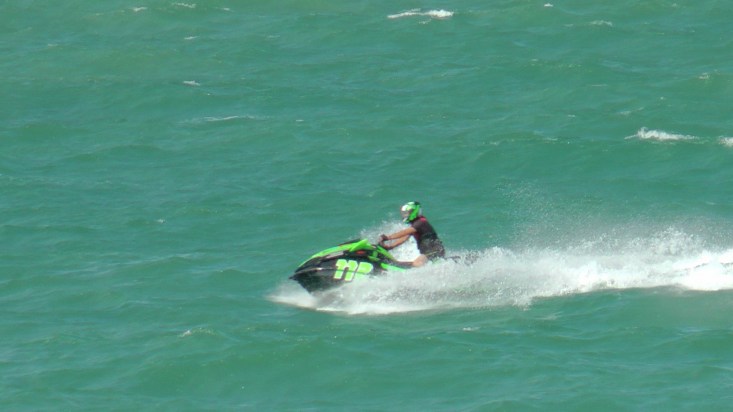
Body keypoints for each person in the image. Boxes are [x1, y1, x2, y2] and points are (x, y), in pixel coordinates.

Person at [379, 201, 445, 267]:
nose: (405, 215)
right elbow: (404, 238)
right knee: (417, 263)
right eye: (404, 213)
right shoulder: (415, 225)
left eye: (407, 213)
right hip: (429, 252)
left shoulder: (421, 222)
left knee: (417, 263)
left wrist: (388, 237)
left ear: (414, 212)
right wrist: (390, 247)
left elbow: (405, 232)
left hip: (435, 250)